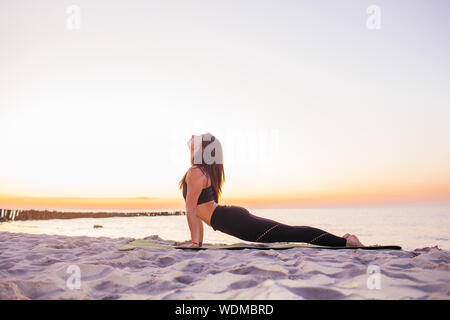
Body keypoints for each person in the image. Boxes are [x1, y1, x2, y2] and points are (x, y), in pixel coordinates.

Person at [179, 133, 364, 248]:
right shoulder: (201, 171)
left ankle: (346, 242)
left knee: (289, 233)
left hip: (234, 220)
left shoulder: (195, 172)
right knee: (288, 232)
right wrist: (197, 243)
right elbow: (195, 214)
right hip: (231, 218)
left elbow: (191, 210)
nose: (193, 139)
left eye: (198, 140)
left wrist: (195, 244)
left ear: (202, 150)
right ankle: (344, 240)